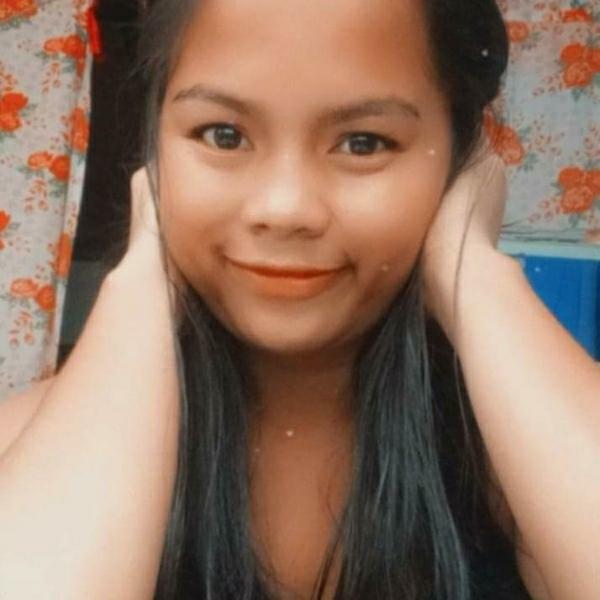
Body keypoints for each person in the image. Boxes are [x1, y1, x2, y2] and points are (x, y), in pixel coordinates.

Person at [0, 0, 598, 598]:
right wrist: (140, 282)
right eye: (223, 135)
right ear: (156, 147)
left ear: (461, 156)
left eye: (363, 143)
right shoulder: (26, 443)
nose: (285, 208)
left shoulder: (518, 451)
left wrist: (475, 274)